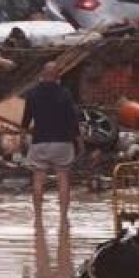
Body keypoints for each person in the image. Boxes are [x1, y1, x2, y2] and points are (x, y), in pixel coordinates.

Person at [21, 61, 83, 220]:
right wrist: (79, 141)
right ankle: (63, 218)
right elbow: (72, 119)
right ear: (57, 76)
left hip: (40, 141)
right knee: (63, 178)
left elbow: (26, 119)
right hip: (62, 142)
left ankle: (38, 219)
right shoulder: (65, 93)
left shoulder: (32, 93)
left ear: (42, 74)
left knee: (38, 178)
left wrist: (22, 137)